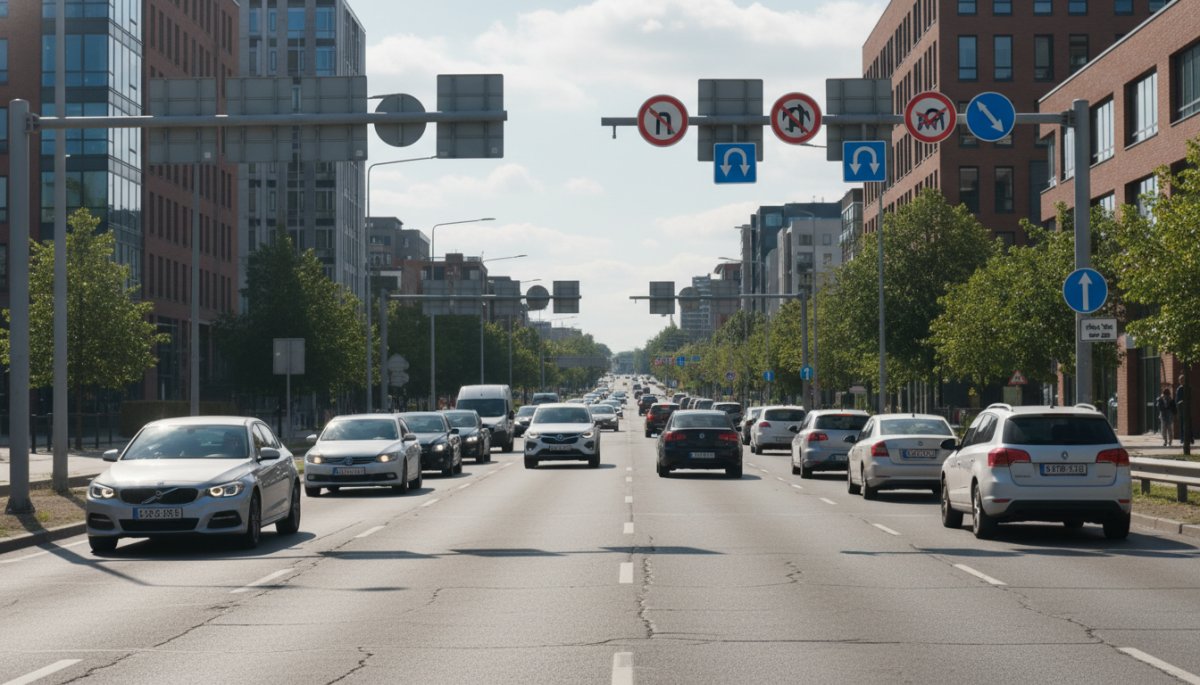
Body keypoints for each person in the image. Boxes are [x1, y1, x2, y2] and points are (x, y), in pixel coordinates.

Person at [1177, 374, 1190, 446]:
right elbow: (1177, 400)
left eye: (1183, 380)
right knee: (1182, 424)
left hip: (1187, 409)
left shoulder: (1188, 388)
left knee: (1188, 423)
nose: (1181, 381)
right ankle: (1182, 438)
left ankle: (1190, 438)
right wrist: (1180, 402)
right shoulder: (1179, 389)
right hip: (1181, 409)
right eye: (1180, 380)